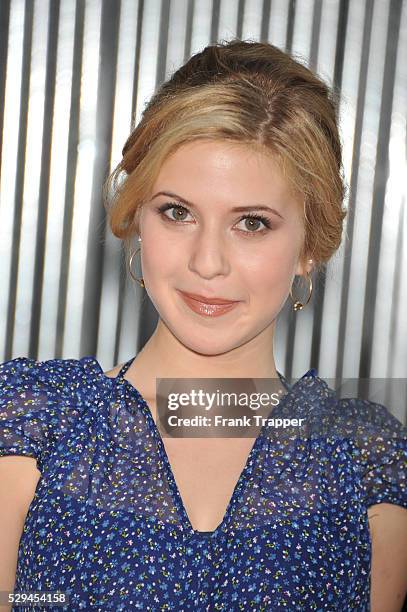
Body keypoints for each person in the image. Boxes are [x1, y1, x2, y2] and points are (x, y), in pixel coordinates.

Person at [1, 39, 406, 611]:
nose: (207, 262)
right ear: (138, 217)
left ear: (308, 247)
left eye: (253, 223)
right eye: (177, 212)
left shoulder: (364, 461)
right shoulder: (31, 424)